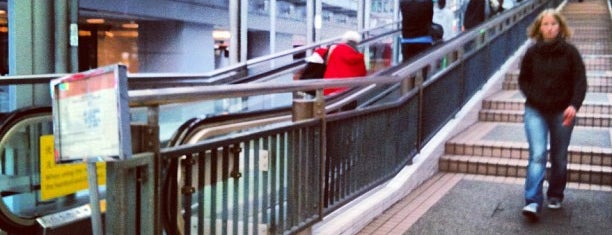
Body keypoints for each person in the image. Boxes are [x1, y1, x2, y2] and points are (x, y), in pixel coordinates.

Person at [518, 9, 587, 220]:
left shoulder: (570, 53)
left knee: (559, 157)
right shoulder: (531, 52)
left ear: (560, 27)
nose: (549, 28)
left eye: (553, 24)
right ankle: (532, 201)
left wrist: (574, 105)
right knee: (537, 154)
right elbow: (523, 80)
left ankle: (555, 193)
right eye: (545, 24)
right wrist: (535, 96)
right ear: (539, 28)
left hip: (562, 111)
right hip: (535, 110)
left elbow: (580, 82)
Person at [323, 31, 367, 96]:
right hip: (350, 89)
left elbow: (329, 65)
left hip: (331, 86)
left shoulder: (336, 50)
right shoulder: (359, 56)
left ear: (345, 40)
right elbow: (362, 72)